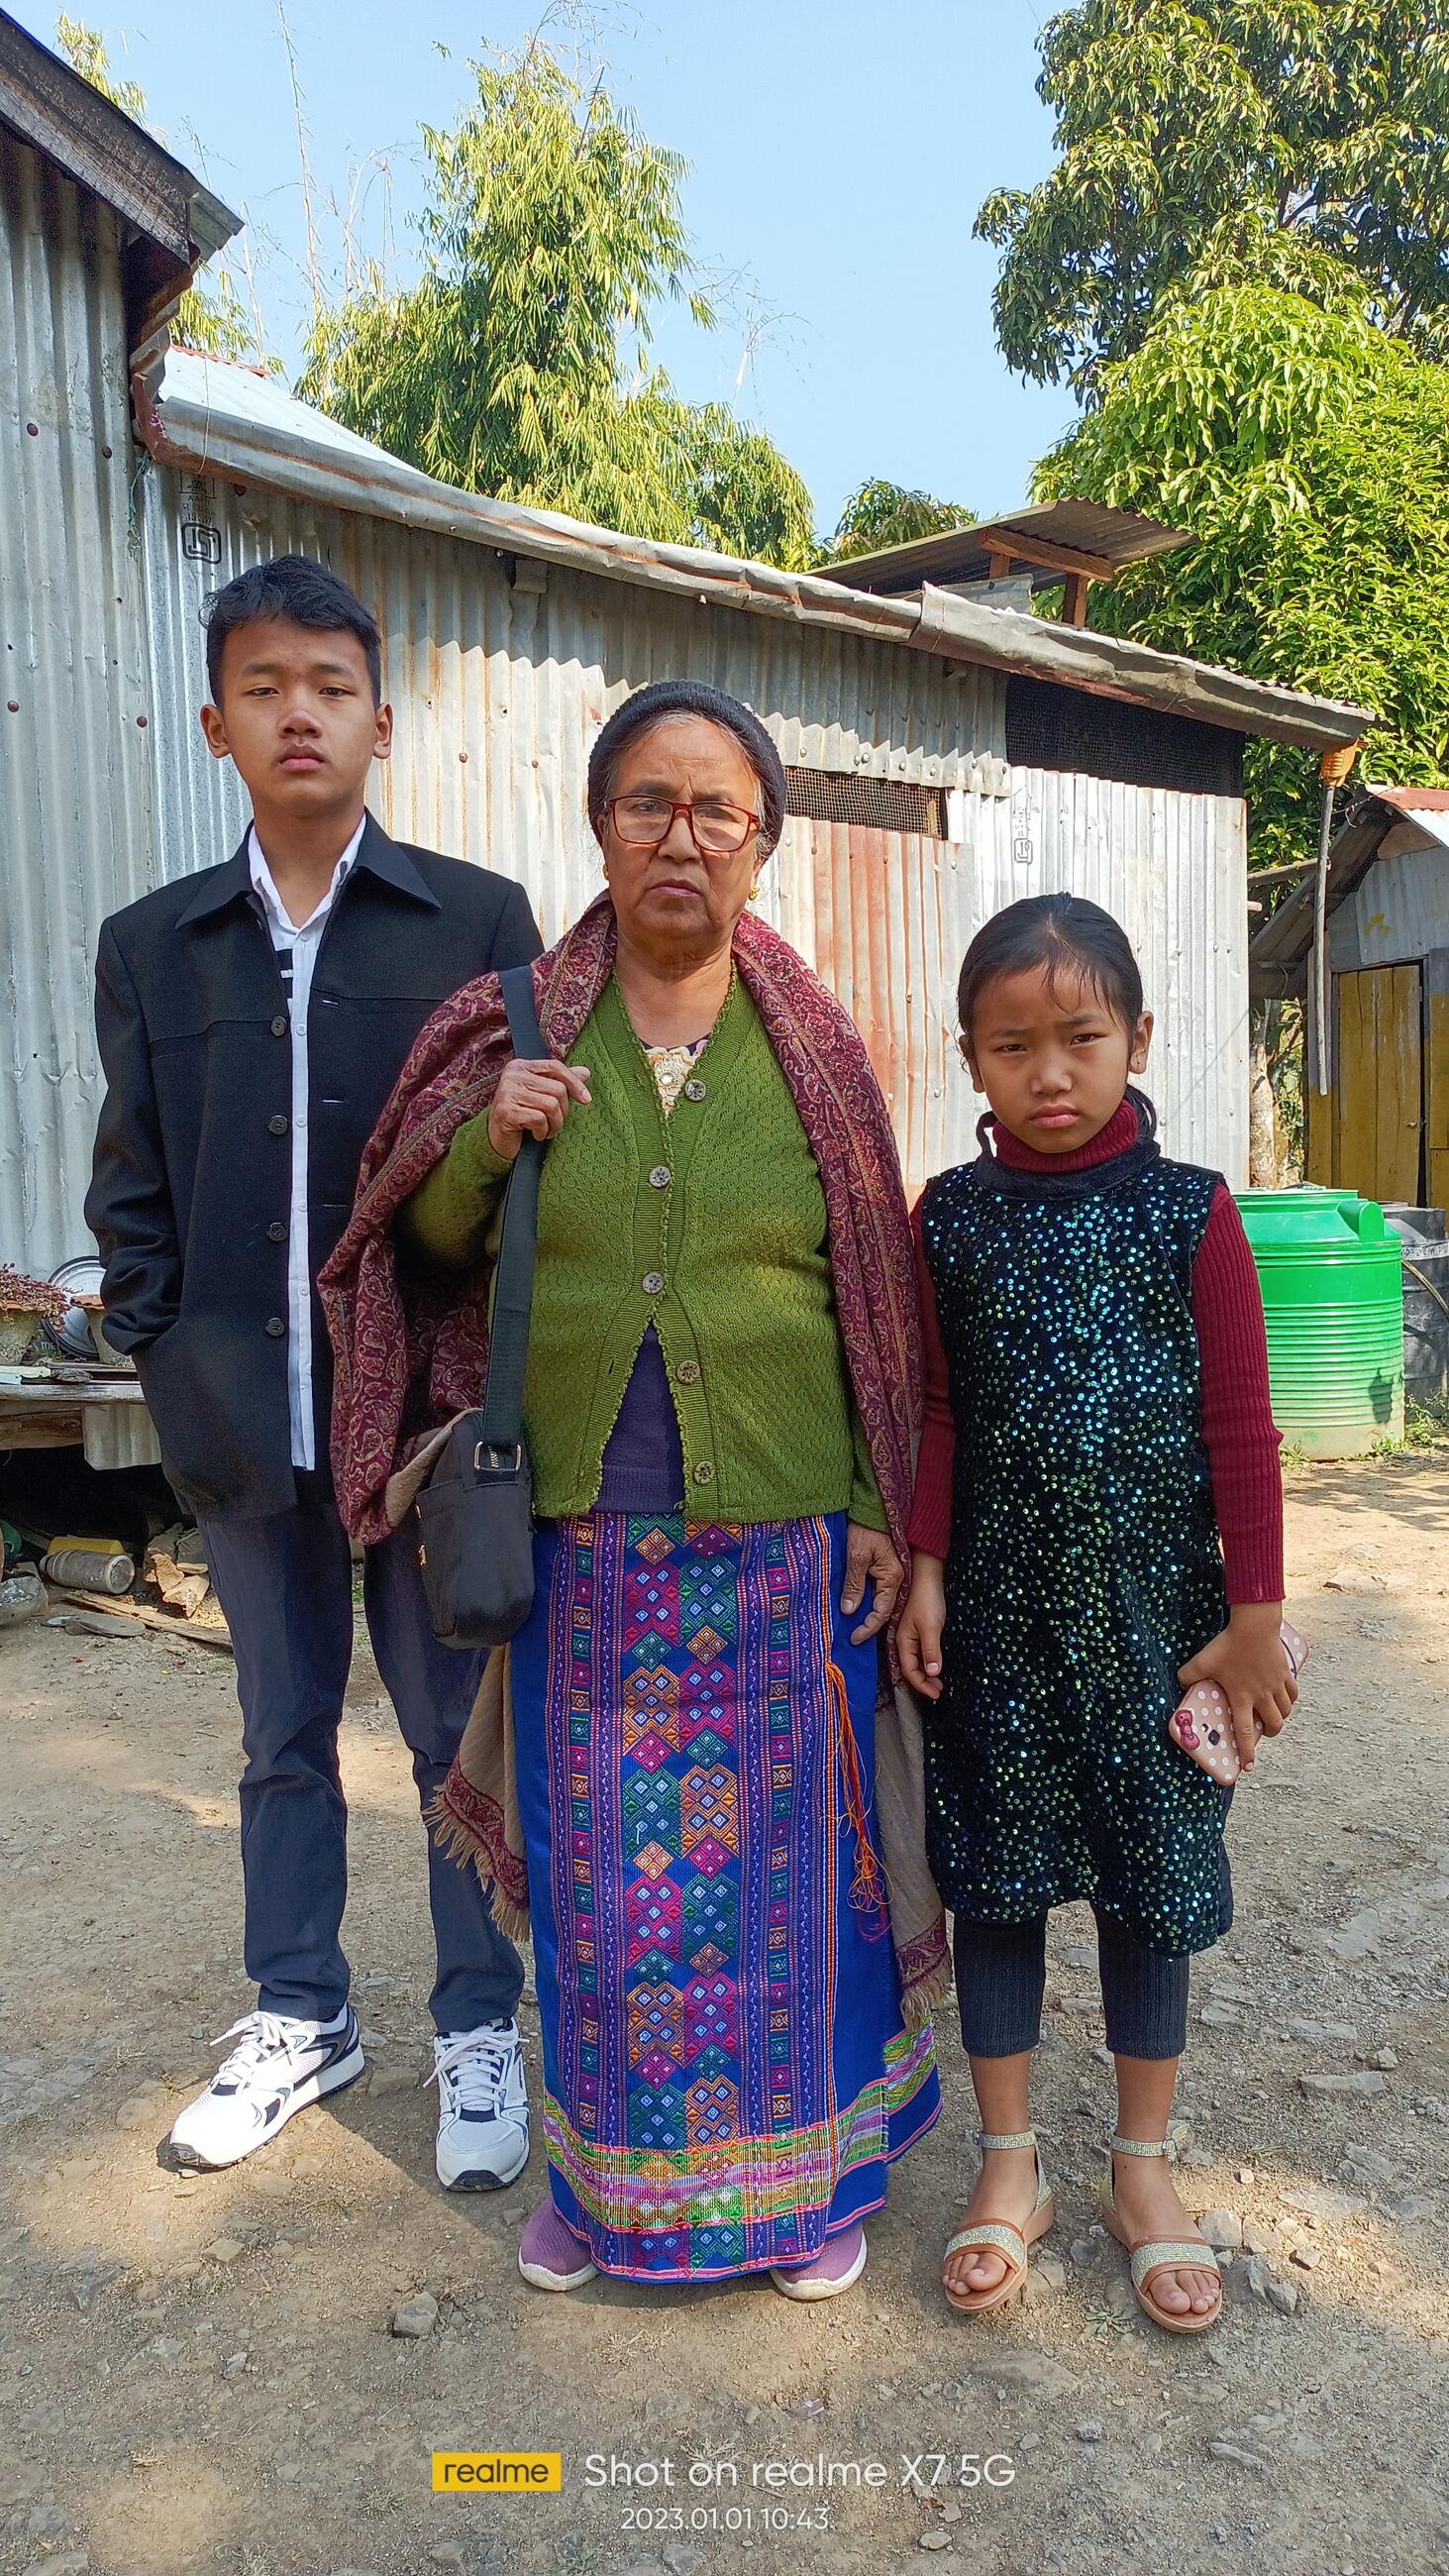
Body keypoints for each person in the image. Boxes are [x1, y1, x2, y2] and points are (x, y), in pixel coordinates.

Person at [321, 678, 946, 2299]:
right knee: (605, 1894)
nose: (682, 835)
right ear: (600, 828)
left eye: (716, 807)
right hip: (580, 1543)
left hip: (782, 1539)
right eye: (647, 803)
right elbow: (416, 1247)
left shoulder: (814, 1050)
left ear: (762, 841)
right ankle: (599, 2196)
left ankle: (802, 2199)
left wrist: (877, 1502)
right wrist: (485, 1142)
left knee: (796, 1894)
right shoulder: (516, 1020)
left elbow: (875, 1298)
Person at [86, 555, 542, 2187]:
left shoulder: (478, 923)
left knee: (448, 1738)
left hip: (418, 1423)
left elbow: (520, 1175)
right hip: (242, 1413)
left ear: (380, 723)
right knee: (281, 1731)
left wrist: (495, 1390)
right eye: (266, 687)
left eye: (332, 688)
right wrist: (164, 1347)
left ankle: (478, 2029)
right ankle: (300, 2012)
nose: (301, 714)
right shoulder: (155, 945)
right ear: (216, 723)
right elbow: (132, 1184)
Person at [895, 893, 1292, 2334]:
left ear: (1139, 1037)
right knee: (997, 1880)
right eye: (1012, 1048)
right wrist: (926, 1566)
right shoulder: (950, 1218)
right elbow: (937, 1410)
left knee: (1147, 1881)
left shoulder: (1192, 1210)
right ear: (970, 1059)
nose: (1049, 1074)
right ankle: (1010, 2168)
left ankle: (1141, 2169)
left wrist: (1255, 1617)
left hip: (1153, 1624)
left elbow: (1240, 1423)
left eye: (1081, 1038)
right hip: (996, 1621)